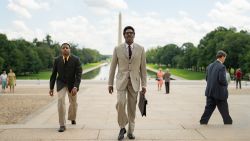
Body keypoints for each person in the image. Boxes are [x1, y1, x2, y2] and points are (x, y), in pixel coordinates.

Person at [108, 26, 147, 140]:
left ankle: (130, 131)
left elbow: (143, 68)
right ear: (124, 35)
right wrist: (110, 83)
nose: (129, 34)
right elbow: (112, 67)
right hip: (121, 81)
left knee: (132, 108)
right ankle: (122, 127)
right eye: (127, 33)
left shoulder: (141, 49)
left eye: (131, 33)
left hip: (134, 82)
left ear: (134, 35)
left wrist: (144, 85)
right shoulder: (117, 49)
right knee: (120, 103)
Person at [49, 43, 82, 132]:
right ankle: (62, 124)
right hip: (61, 83)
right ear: (61, 50)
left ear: (69, 49)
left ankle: (72, 117)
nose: (65, 49)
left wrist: (76, 86)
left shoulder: (76, 59)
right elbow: (53, 75)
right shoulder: (57, 60)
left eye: (67, 48)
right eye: (63, 48)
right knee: (60, 101)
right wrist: (51, 88)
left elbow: (79, 74)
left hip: (72, 84)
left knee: (73, 103)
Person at [200, 50, 232, 125]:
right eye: (225, 58)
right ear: (222, 57)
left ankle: (203, 121)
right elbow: (222, 80)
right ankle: (228, 122)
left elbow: (207, 79)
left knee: (208, 109)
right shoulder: (222, 66)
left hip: (210, 91)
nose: (224, 59)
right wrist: (226, 84)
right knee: (224, 109)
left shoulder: (210, 65)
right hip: (219, 93)